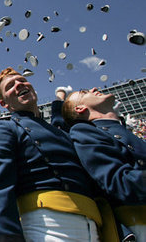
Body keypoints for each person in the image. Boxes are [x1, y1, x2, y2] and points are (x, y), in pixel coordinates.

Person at [0, 67, 102, 241]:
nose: (18, 85)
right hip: (47, 227)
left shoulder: (63, 132)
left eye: (22, 80)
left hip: (95, 225)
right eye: (9, 86)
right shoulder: (2, 128)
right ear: (3, 103)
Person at [62, 87, 146, 240]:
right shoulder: (83, 131)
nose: (94, 88)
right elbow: (118, 182)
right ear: (80, 108)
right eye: (84, 92)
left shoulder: (120, 130)